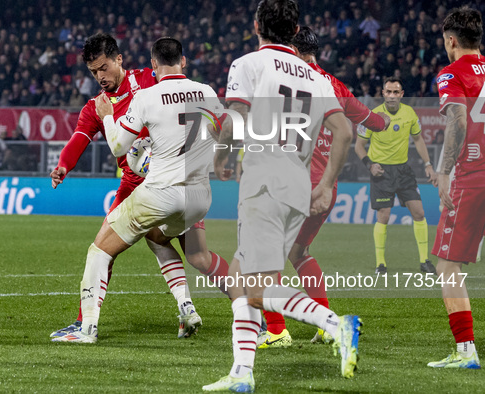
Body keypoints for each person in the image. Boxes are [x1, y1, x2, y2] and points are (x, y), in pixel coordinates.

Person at [203, 1, 361, 391]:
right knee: (241, 276)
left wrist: (220, 158)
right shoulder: (317, 77)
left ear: (256, 24)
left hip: (263, 181)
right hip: (298, 185)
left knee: (256, 287)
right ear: (294, 30)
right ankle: (242, 374)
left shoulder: (248, 64)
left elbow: (235, 119)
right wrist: (325, 185)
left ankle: (336, 324)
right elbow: (345, 132)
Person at [49, 33, 230, 342]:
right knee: (132, 244)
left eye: (103, 68)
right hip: (136, 185)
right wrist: (64, 164)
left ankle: (86, 328)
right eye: (94, 72)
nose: (100, 77)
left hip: (166, 179)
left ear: (119, 59)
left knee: (196, 256)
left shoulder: (150, 81)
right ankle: (184, 309)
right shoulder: (96, 107)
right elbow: (80, 136)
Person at [257, 26, 391, 349]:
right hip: (327, 190)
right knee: (298, 252)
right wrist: (386, 121)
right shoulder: (336, 86)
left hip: (294, 184)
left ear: (294, 49)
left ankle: (276, 331)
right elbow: (373, 121)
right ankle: (327, 324)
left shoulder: (289, 80)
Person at [428, 6, 485, 369]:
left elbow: (459, 121)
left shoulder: (451, 74)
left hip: (472, 177)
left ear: (451, 40)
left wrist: (444, 170)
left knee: (447, 264)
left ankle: (465, 351)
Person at [355, 77, 437, 275]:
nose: (391, 96)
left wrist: (428, 165)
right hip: (381, 172)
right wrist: (370, 165)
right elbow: (359, 146)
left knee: (419, 213)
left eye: (395, 92)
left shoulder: (409, 113)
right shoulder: (372, 116)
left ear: (402, 94)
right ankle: (380, 263)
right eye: (388, 92)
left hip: (403, 170)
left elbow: (418, 140)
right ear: (383, 93)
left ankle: (424, 261)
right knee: (383, 216)